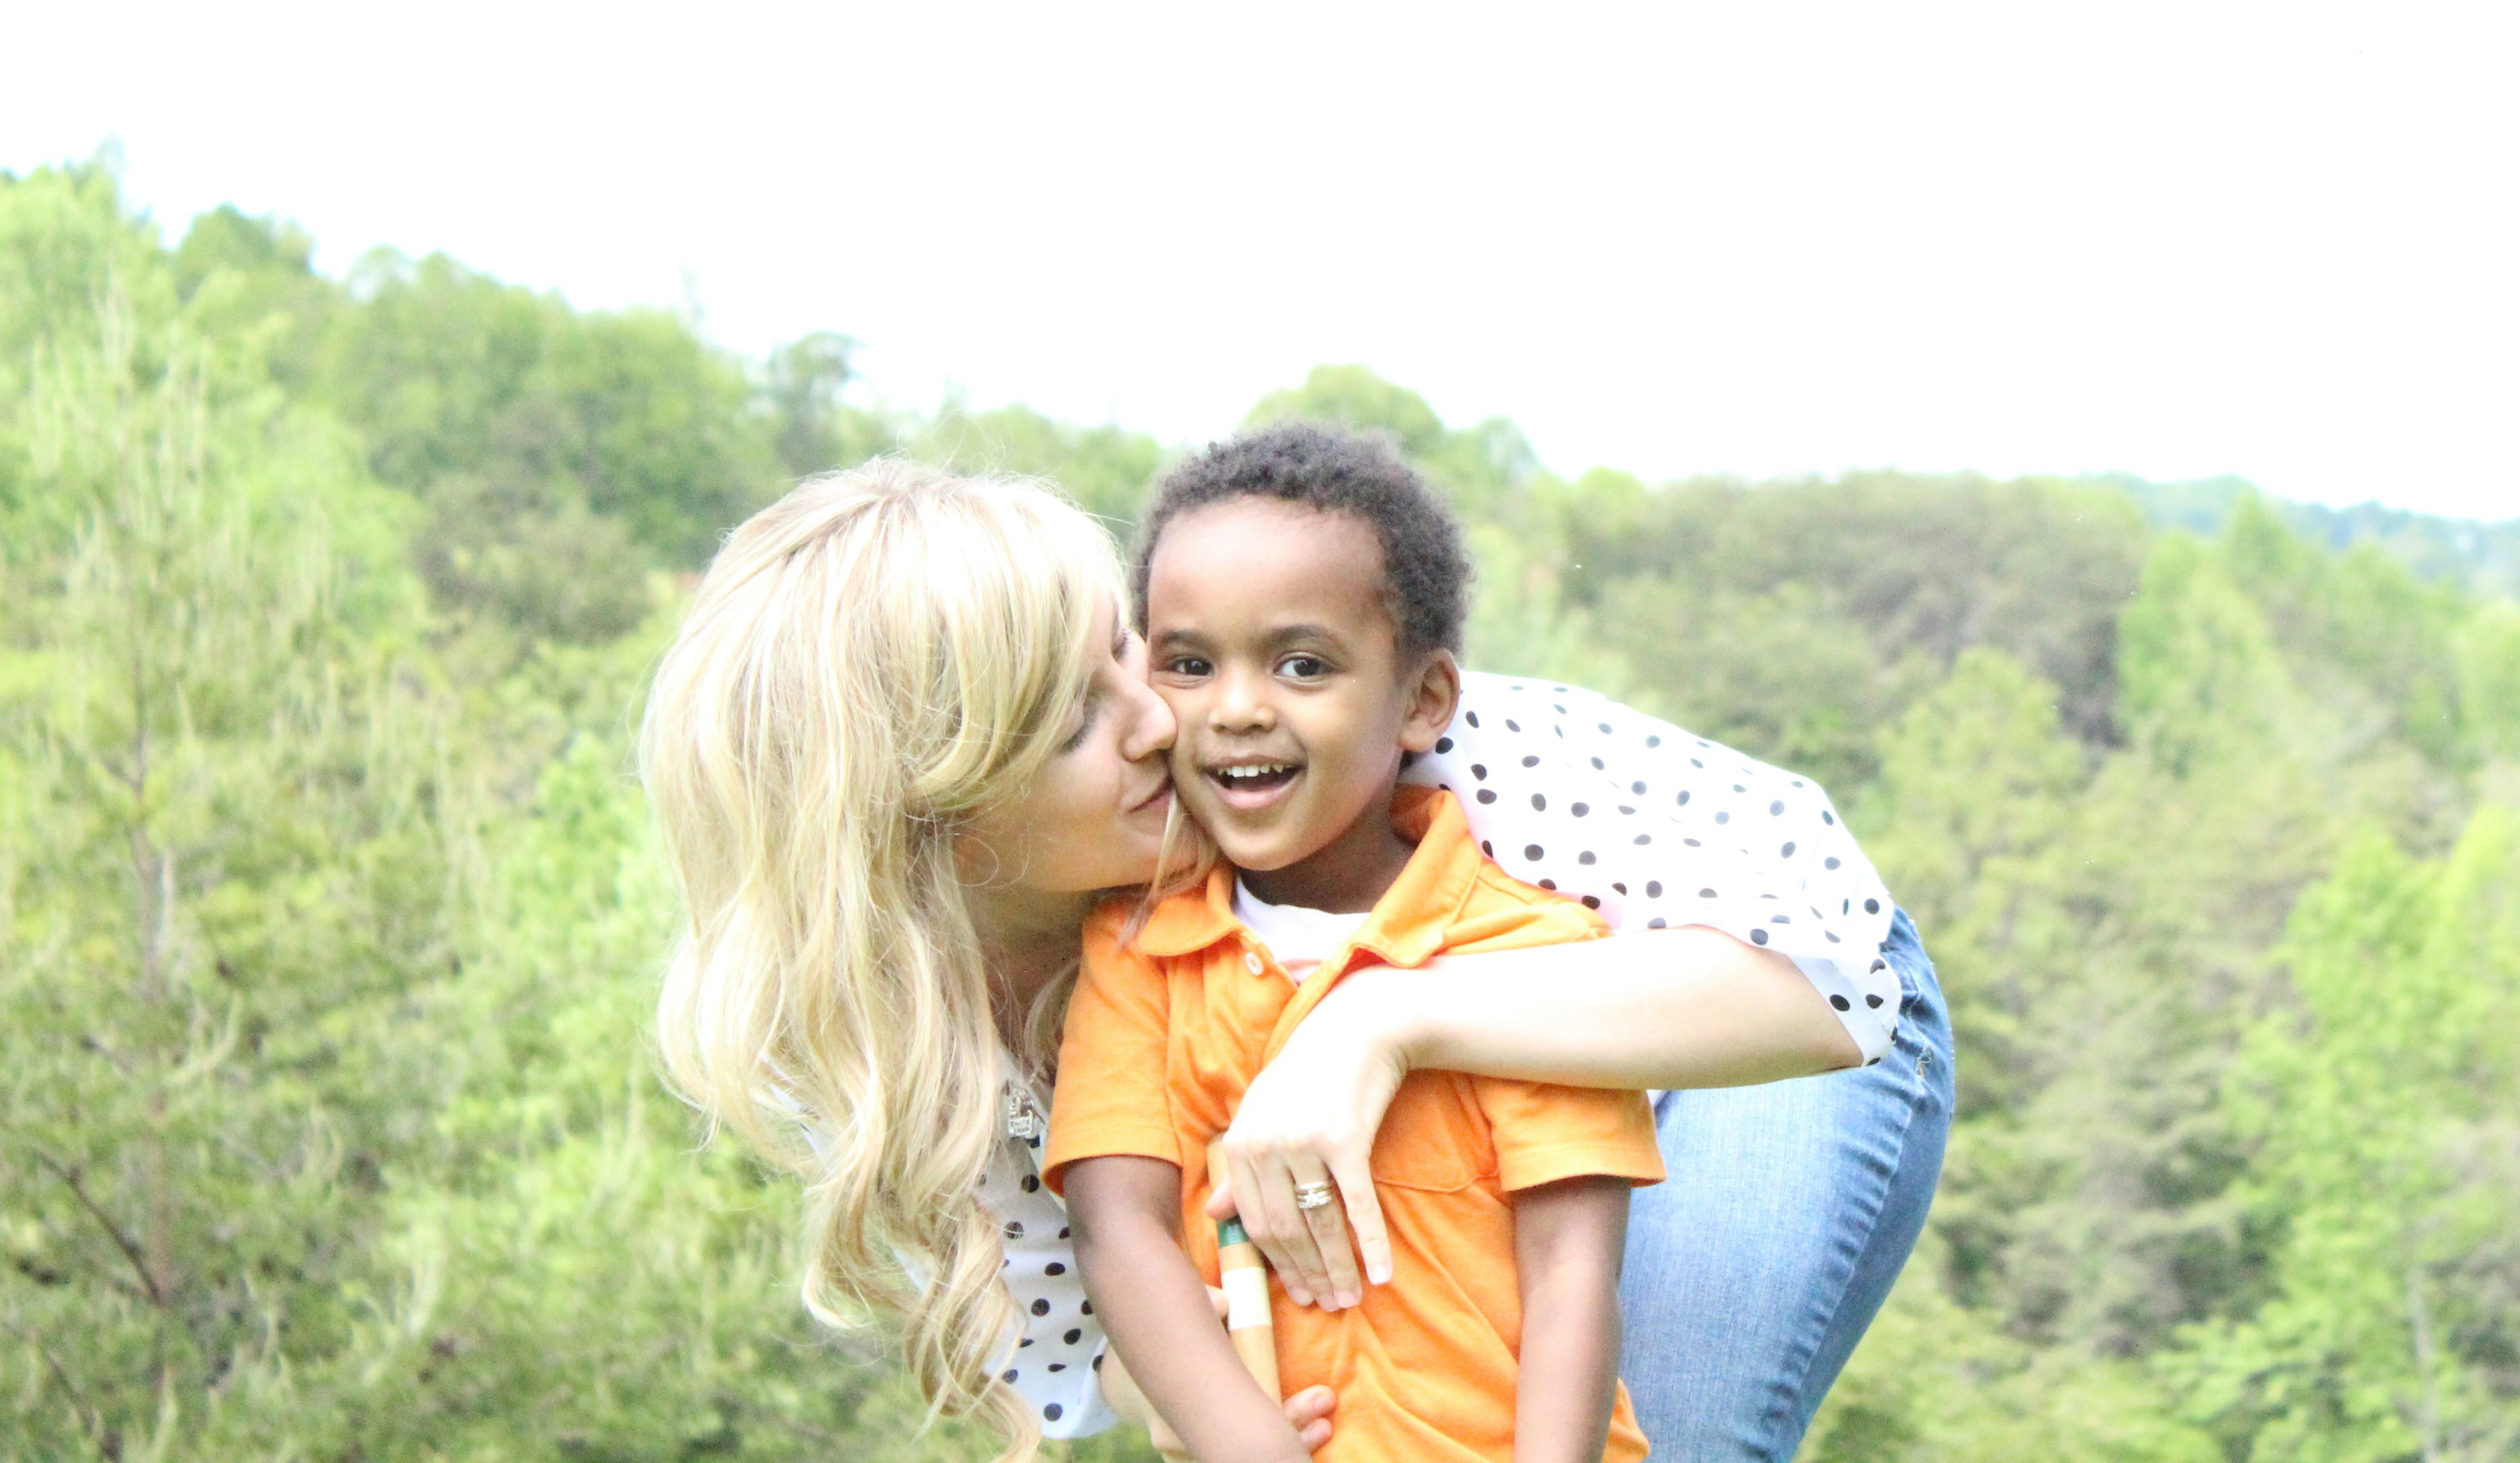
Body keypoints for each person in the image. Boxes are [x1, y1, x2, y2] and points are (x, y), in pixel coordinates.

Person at [642, 455, 1948, 1462]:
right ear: (930, 820)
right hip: (1426, 1183)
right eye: (1079, 720)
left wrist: (1381, 1025)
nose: (1171, 717)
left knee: (1659, 1421)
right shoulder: (891, 1058)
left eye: (1127, 652)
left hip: (1745, 1029)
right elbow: (1091, 1355)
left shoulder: (1389, 756)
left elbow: (1830, 990)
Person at [1053, 426, 1661, 1463]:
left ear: (1422, 700)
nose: (1238, 710)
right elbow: (1122, 1232)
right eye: (1190, 664)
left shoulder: (1536, 955)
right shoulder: (1139, 948)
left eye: (1302, 665)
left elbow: (1572, 1273)